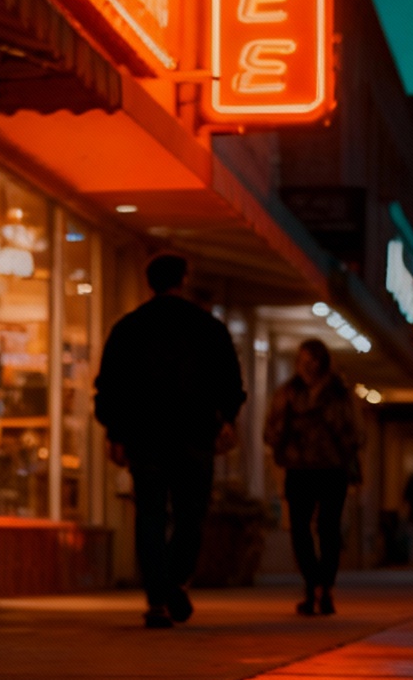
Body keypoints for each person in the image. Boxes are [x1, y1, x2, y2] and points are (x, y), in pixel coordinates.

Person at [94, 253, 246, 629]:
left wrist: (115, 432)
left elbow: (111, 384)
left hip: (145, 436)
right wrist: (227, 418)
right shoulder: (207, 328)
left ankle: (157, 597)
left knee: (150, 513)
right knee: (191, 514)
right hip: (194, 435)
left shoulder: (129, 328)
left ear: (149, 282)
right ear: (184, 279)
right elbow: (230, 380)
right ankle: (176, 580)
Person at [263, 338, 362, 616]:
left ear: (323, 362)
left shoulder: (338, 393)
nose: (307, 366)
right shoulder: (289, 392)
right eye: (303, 360)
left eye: (313, 360)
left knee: (329, 529)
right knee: (299, 529)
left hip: (331, 469)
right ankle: (313, 583)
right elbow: (271, 429)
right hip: (299, 468)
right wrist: (283, 442)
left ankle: (325, 586)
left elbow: (353, 432)